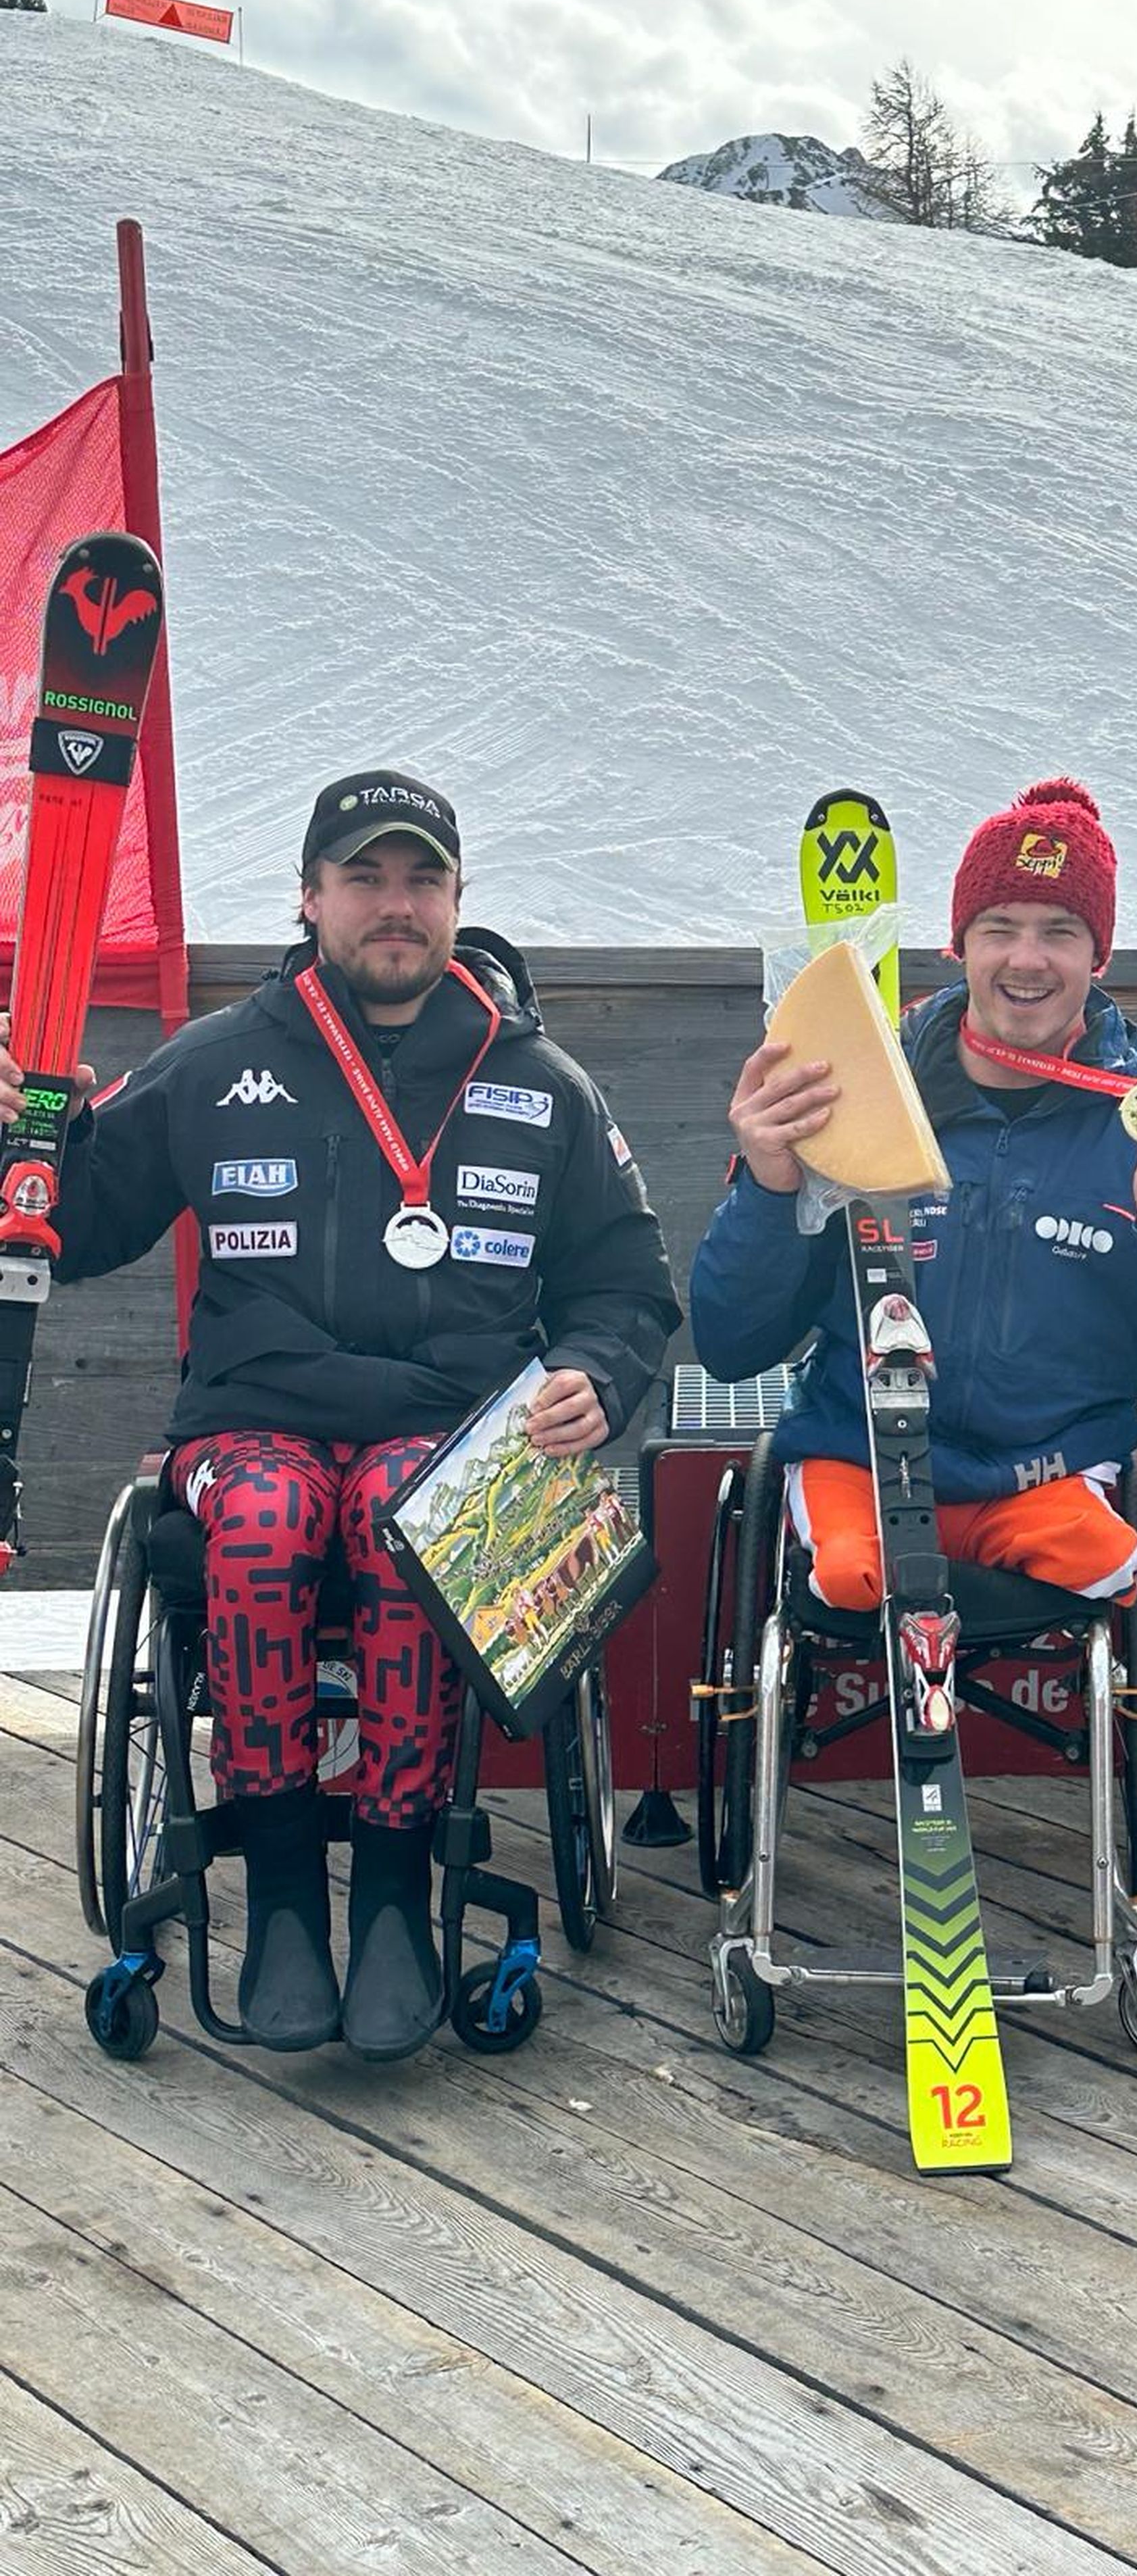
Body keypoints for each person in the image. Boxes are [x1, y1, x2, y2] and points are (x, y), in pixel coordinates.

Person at [1, 769, 680, 2060]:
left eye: (421, 878)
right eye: (364, 877)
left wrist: (598, 1371)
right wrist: (26, 1144)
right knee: (261, 1520)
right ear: (309, 898)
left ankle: (389, 1898)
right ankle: (280, 1900)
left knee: (404, 1516)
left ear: (458, 900)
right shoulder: (213, 1060)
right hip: (253, 1423)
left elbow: (628, 1287)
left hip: (453, 1435)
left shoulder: (542, 1083)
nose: (395, 904)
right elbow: (71, 1226)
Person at [689, 776, 1137, 1612]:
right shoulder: (850, 1096)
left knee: (1109, 1565)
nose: (1027, 959)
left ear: (1099, 955)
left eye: (1060, 931)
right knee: (841, 1579)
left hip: (1049, 1479)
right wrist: (769, 1189)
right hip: (860, 1460)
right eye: (1000, 928)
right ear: (960, 946)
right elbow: (730, 1346)